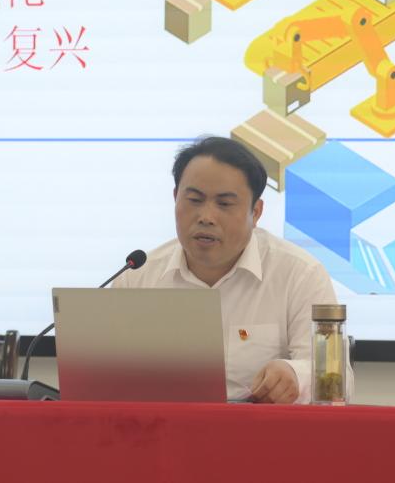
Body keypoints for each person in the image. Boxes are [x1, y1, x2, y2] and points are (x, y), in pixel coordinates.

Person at [114, 136, 352, 404]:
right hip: (160, 427)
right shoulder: (136, 277)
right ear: (175, 198)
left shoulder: (299, 274)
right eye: (194, 200)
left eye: (224, 204)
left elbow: (338, 378)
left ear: (256, 212)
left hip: (260, 428)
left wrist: (295, 376)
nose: (206, 217)